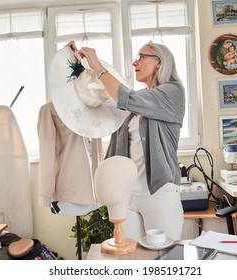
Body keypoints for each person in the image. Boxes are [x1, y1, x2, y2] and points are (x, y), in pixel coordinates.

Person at [69, 40, 185, 242]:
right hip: (126, 195)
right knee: (130, 258)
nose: (134, 63)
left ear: (159, 62)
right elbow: (100, 99)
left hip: (158, 192)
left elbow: (125, 97)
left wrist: (97, 65)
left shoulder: (173, 92)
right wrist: (73, 60)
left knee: (164, 258)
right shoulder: (134, 104)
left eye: (141, 57)